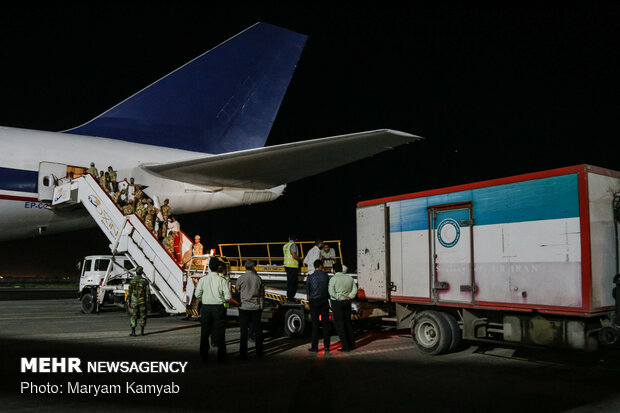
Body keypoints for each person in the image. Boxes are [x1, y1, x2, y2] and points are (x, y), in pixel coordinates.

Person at [195, 261, 231, 362]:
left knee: (205, 332)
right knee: (220, 332)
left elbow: (197, 294)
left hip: (206, 308)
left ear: (209, 267)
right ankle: (221, 356)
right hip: (218, 308)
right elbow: (228, 296)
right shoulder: (222, 280)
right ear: (218, 267)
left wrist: (204, 298)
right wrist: (222, 300)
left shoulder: (203, 279)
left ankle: (204, 355)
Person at [236, 260, 264, 359]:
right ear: (253, 267)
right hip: (255, 307)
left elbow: (237, 290)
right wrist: (261, 306)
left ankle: (243, 353)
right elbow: (261, 294)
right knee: (257, 331)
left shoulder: (241, 278)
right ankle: (259, 352)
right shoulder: (258, 278)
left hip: (244, 307)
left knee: (243, 331)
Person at [328, 262, 357, 352]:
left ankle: (345, 346)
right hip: (347, 302)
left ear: (334, 270)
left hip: (337, 303)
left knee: (340, 325)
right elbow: (354, 289)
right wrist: (349, 296)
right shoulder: (349, 278)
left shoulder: (333, 279)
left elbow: (331, 292)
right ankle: (352, 344)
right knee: (348, 323)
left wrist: (339, 297)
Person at [306, 260, 330, 352]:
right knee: (325, 324)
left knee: (315, 325)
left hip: (314, 301)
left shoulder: (310, 277)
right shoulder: (326, 276)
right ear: (320, 266)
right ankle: (327, 346)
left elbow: (308, 290)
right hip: (324, 301)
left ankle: (315, 347)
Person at [127, 266, 150, 337]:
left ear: (136, 272)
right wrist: (147, 300)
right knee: (143, 316)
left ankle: (133, 332)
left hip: (134, 301)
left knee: (133, 316)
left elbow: (129, 292)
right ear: (142, 272)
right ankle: (142, 332)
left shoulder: (132, 281)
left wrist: (129, 301)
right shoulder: (145, 281)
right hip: (142, 301)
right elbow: (147, 292)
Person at [283, 236, 301, 301]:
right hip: (292, 266)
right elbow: (294, 255)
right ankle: (291, 297)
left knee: (289, 282)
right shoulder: (293, 245)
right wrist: (300, 259)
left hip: (287, 266)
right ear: (296, 239)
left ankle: (289, 296)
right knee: (294, 283)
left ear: (289, 238)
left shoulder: (285, 245)